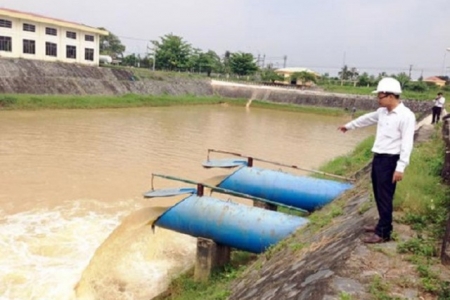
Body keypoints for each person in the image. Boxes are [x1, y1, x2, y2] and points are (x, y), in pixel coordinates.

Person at [338, 77, 416, 244]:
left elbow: (407, 143)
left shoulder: (406, 116)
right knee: (378, 194)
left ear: (390, 96)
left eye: (380, 96)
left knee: (385, 196)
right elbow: (367, 118)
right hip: (379, 158)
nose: (377, 100)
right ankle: (382, 223)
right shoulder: (383, 112)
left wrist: (400, 167)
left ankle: (383, 233)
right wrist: (349, 126)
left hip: (391, 161)